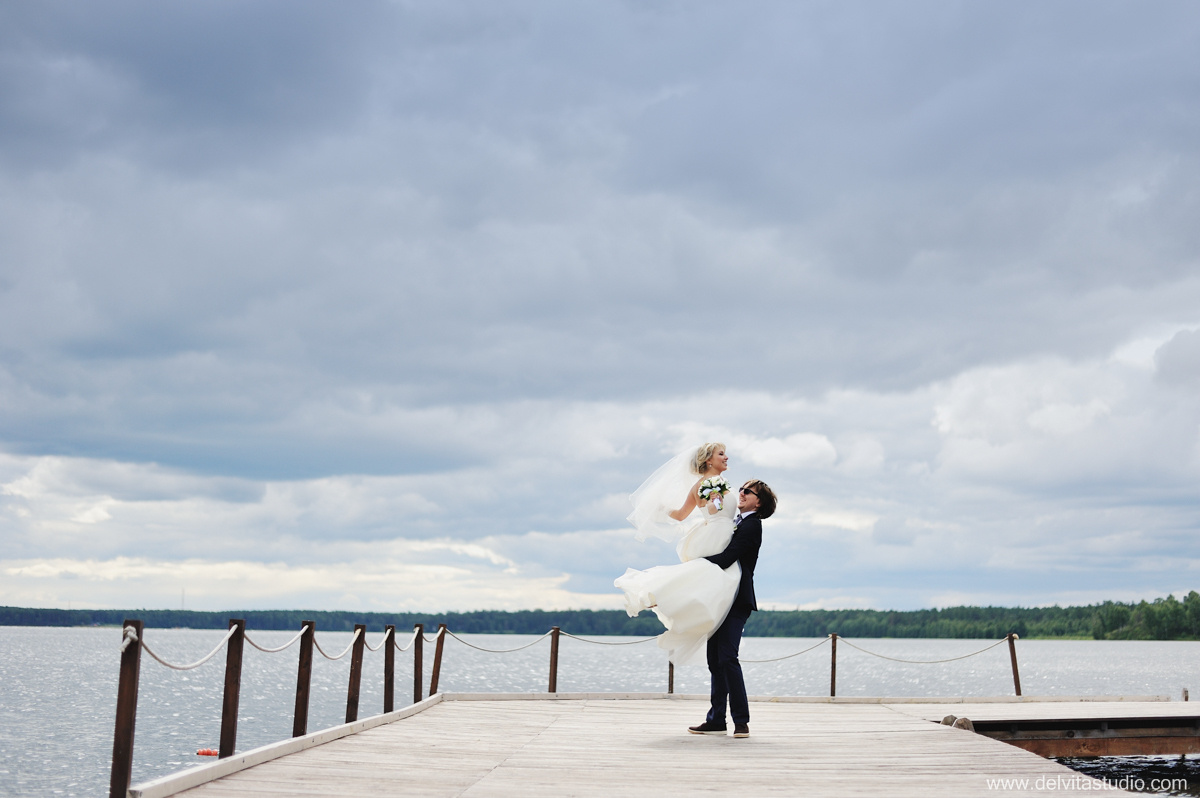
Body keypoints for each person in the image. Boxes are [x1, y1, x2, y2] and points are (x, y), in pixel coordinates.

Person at [615, 443, 742, 667]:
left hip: (719, 531)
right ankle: (660, 595)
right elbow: (714, 509)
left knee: (710, 580)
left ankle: (666, 598)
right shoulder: (711, 484)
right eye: (721, 454)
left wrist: (663, 509)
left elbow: (681, 515)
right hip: (716, 534)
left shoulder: (708, 484)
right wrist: (715, 499)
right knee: (715, 577)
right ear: (708, 461)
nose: (727, 458)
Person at [687, 478, 776, 739]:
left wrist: (695, 564)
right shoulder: (735, 522)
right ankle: (716, 720)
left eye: (748, 491)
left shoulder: (752, 526)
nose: (742, 493)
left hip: (737, 599)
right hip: (719, 597)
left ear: (759, 502)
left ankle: (741, 721)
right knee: (714, 660)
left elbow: (727, 557)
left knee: (727, 657)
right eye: (741, 489)